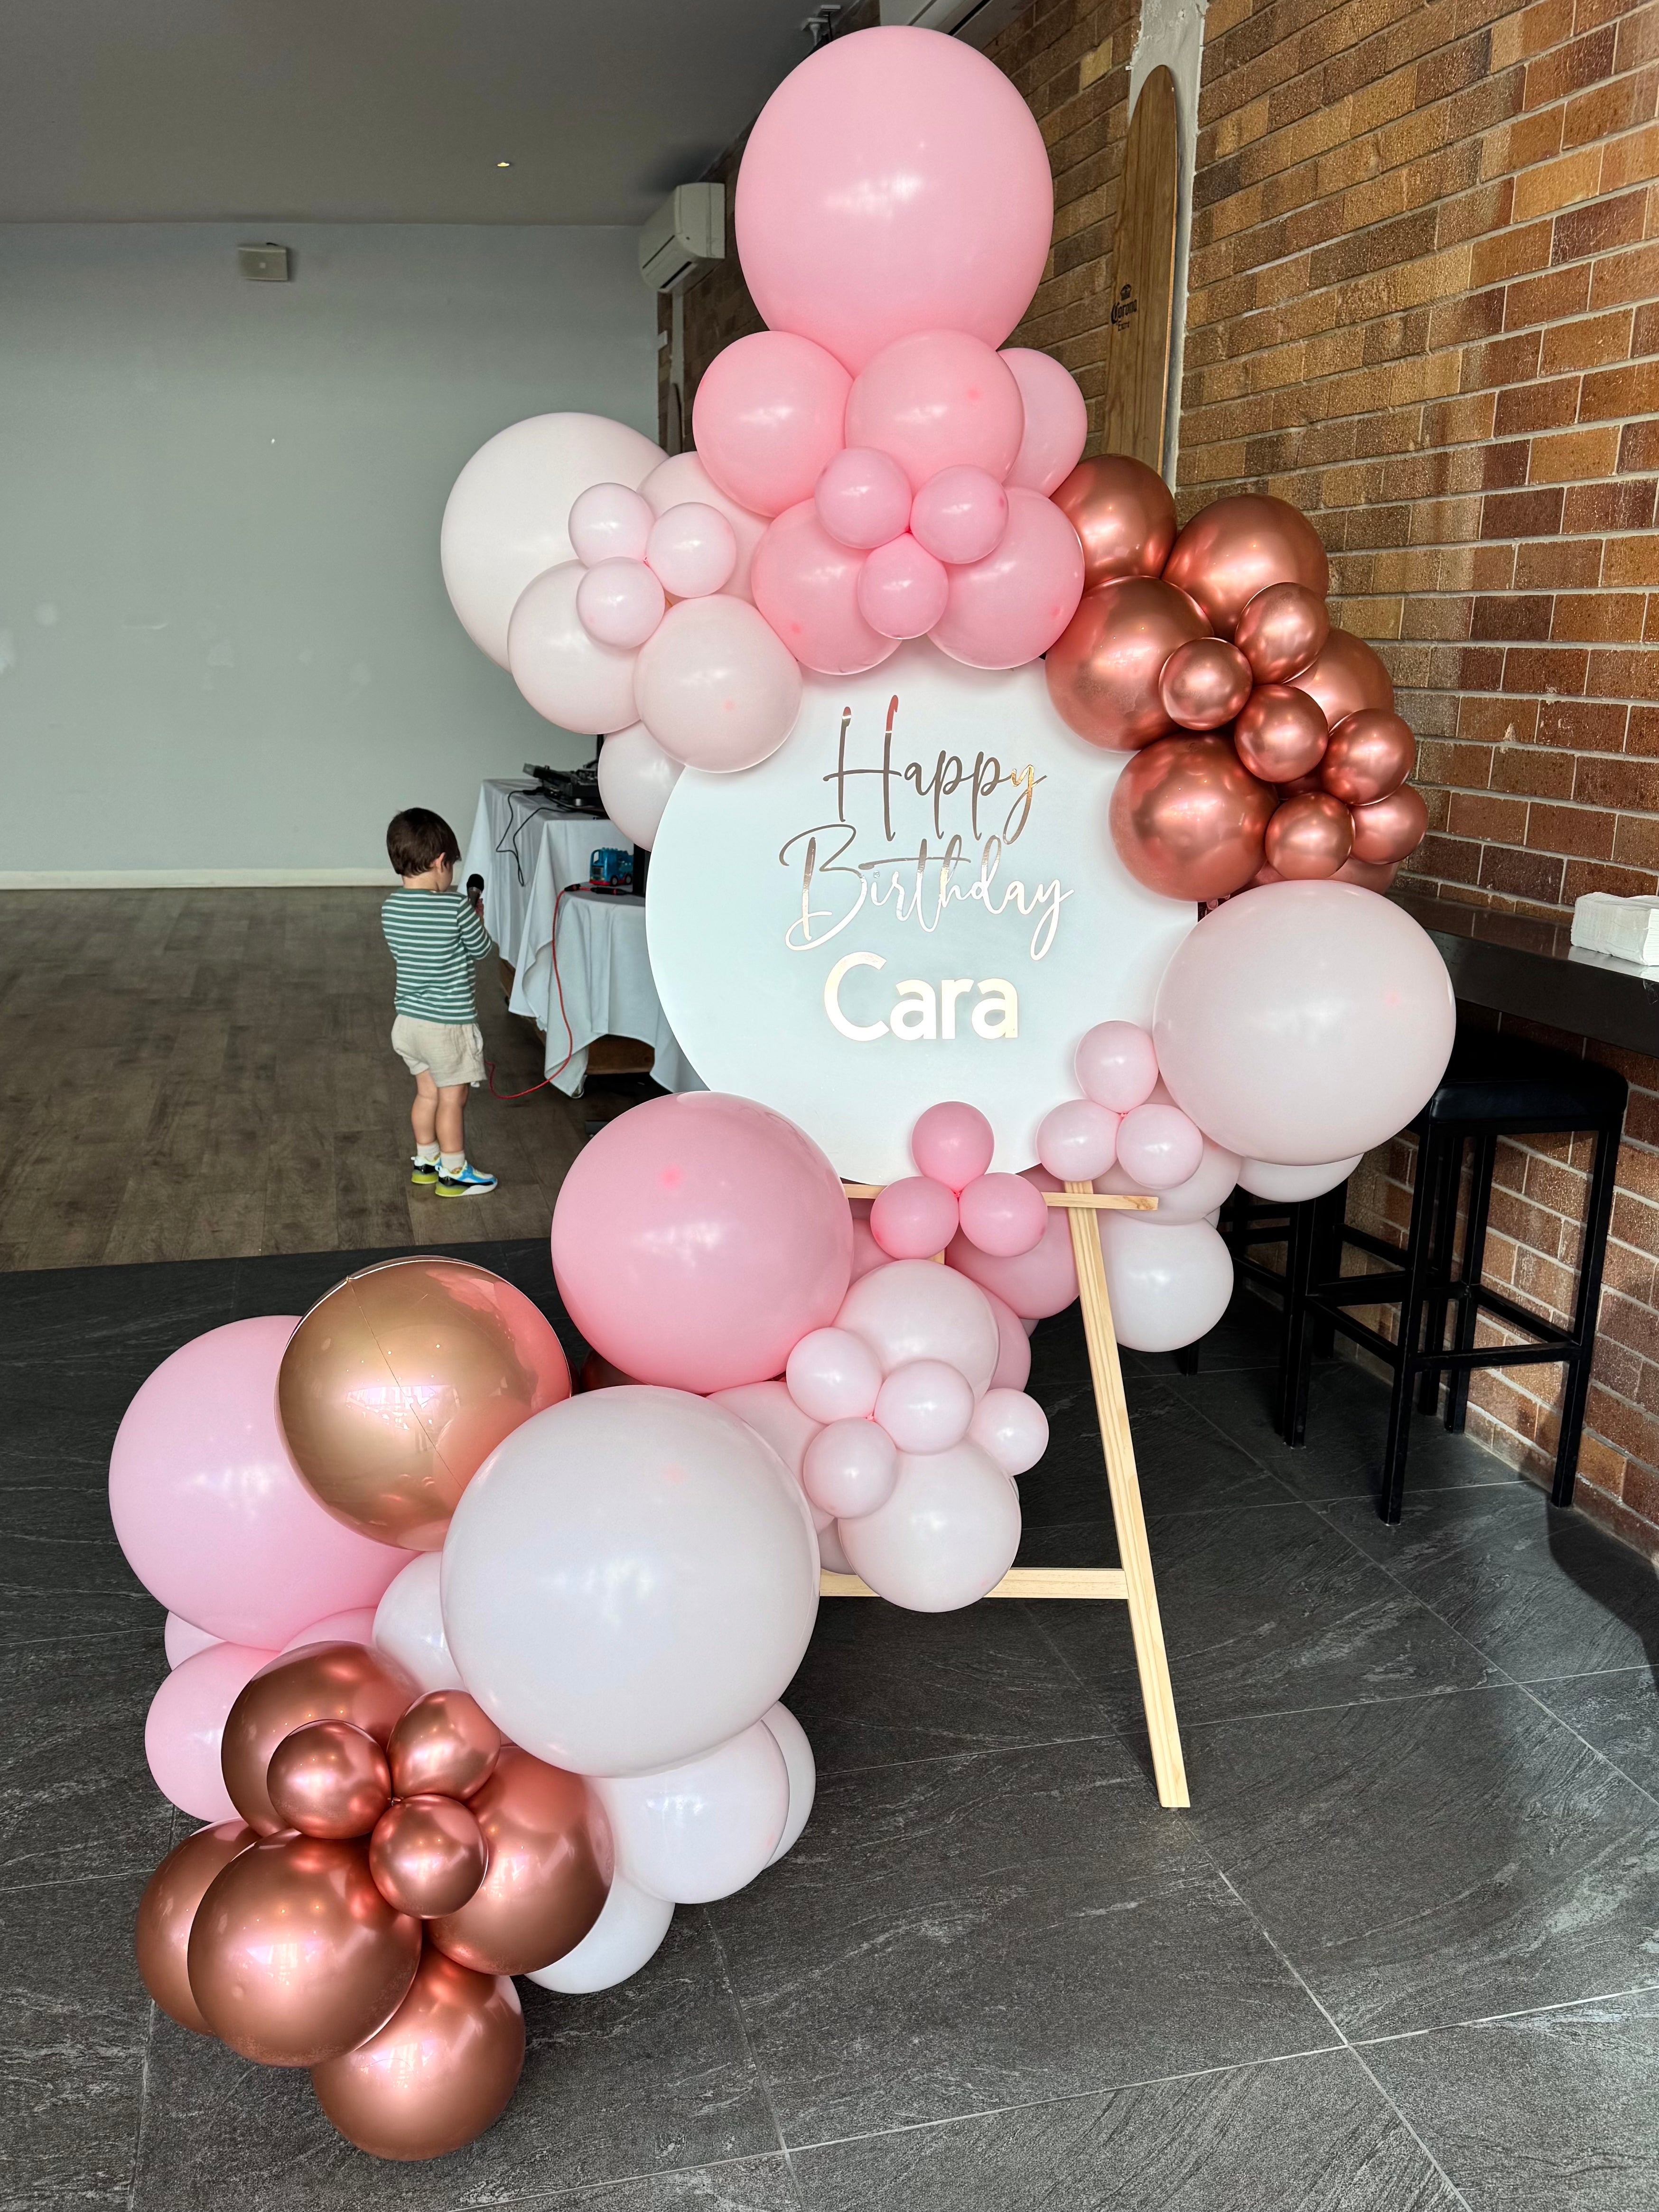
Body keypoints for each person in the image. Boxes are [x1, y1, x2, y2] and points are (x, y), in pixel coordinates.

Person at [382, 808, 496, 1196]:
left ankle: (425, 1160)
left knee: (426, 1093)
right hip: (446, 1025)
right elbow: (481, 950)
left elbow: (422, 949)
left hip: (409, 1023)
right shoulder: (456, 907)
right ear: (440, 863)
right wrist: (475, 918)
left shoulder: (390, 908)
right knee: (453, 1098)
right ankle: (453, 1171)